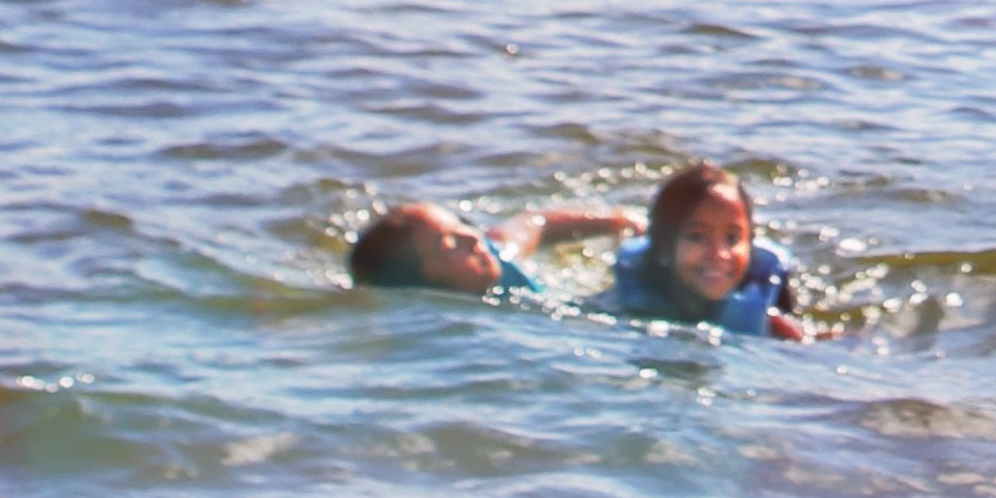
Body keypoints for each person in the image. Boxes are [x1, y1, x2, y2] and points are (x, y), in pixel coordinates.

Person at [595, 159, 816, 340]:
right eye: (697, 237)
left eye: (732, 238)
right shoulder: (619, 306)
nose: (719, 254)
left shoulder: (776, 325)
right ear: (663, 249)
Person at [345, 198, 626, 302]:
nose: (471, 238)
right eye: (449, 244)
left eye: (460, 225)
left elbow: (536, 223)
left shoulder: (499, 256)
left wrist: (619, 221)